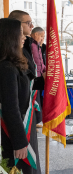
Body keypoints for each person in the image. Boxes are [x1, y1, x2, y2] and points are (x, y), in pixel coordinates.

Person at [0, 18, 41, 173]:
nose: (24, 37)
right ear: (9, 37)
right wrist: (19, 142)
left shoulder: (14, 62)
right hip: (15, 133)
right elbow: (10, 107)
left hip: (23, 127)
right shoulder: (6, 68)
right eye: (20, 34)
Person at [8, 10, 46, 126]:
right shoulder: (11, 53)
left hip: (28, 101)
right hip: (20, 111)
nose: (32, 26)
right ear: (16, 24)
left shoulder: (30, 44)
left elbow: (27, 78)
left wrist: (43, 80)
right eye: (28, 23)